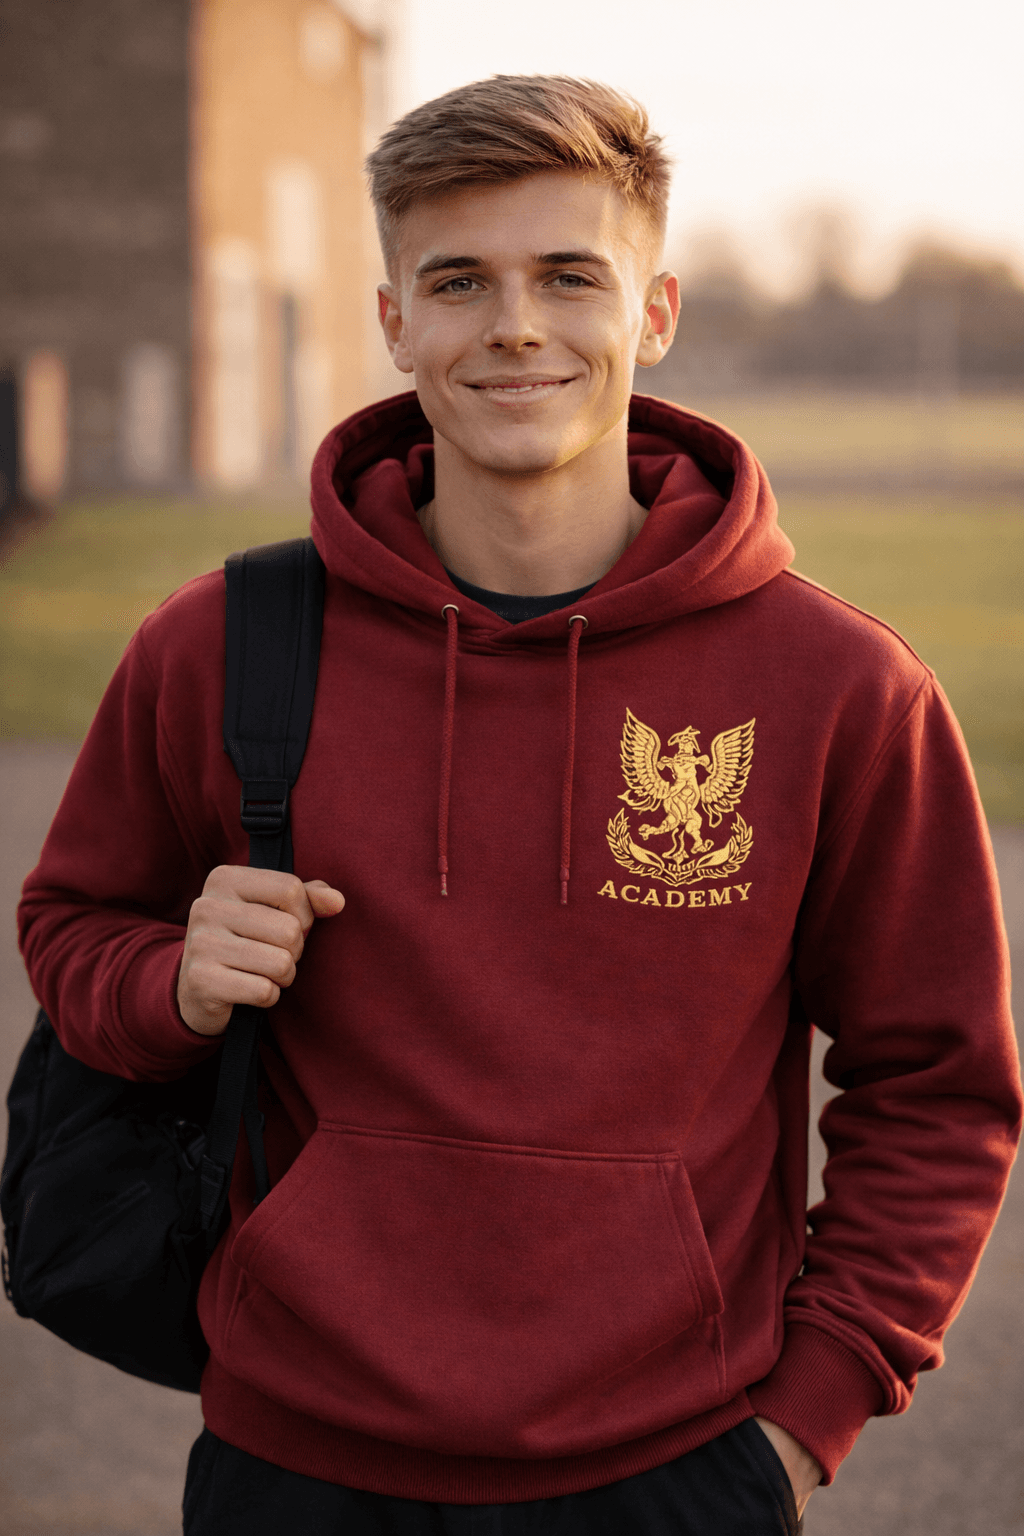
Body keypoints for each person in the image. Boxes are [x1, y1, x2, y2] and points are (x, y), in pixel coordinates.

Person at [18, 76, 1021, 1536]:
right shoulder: (223, 645)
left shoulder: (842, 688)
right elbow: (70, 925)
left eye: (569, 275)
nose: (515, 327)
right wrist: (171, 981)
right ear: (394, 323)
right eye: (459, 281)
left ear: (656, 310)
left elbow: (940, 1086)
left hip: (676, 1470)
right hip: (294, 1463)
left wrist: (802, 1430)